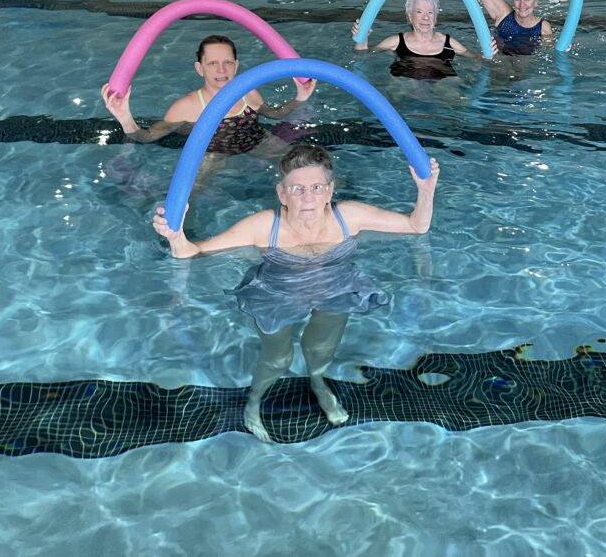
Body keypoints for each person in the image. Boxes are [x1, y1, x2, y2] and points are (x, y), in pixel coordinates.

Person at [152, 143, 439, 439]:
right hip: (277, 296)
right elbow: (194, 253)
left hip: (334, 290)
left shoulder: (350, 216)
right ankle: (254, 401)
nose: (308, 197)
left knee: (320, 351)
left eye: (316, 187)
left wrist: (426, 190)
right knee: (278, 359)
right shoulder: (263, 226)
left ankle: (317, 382)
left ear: (330, 190)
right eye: (297, 189)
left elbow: (415, 226)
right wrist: (175, 236)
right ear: (282, 194)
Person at [100, 34, 315, 155]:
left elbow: (273, 114)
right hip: (212, 154)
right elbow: (146, 137)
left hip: (257, 144)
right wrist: (125, 119)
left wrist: (300, 98)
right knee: (193, 193)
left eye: (227, 63)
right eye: (212, 64)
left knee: (300, 162)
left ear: (236, 65)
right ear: (199, 68)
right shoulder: (187, 107)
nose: (221, 70)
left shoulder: (249, 92)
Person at [352, 0, 481, 79]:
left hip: (442, 88)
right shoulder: (396, 42)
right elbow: (362, 55)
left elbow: (479, 60)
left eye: (430, 12)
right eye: (419, 12)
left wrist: (486, 52)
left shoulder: (449, 43)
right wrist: (362, 39)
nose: (426, 18)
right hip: (403, 85)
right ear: (409, 16)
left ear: (436, 16)